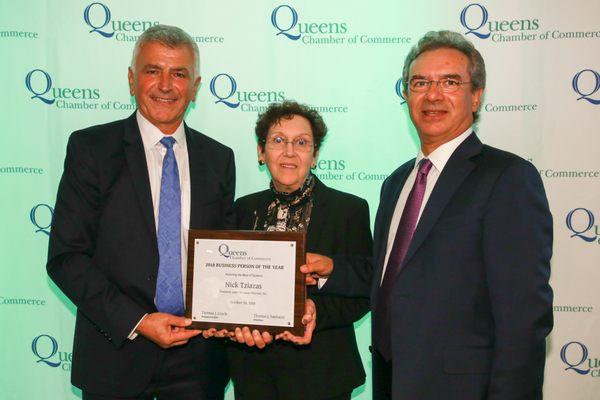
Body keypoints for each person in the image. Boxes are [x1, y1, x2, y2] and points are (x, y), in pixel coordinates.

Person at [305, 30, 553, 399]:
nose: (433, 95)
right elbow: (394, 274)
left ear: (477, 95)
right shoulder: (397, 182)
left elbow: (523, 317)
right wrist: (332, 269)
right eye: (420, 82)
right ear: (406, 94)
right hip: (392, 380)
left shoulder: (507, 178)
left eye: (450, 82)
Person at [47, 25, 234, 399]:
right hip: (115, 352)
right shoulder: (91, 149)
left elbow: (224, 257)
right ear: (132, 80)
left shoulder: (219, 159)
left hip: (198, 361)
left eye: (179, 73)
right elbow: (66, 258)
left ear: (195, 87)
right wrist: (139, 321)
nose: (165, 85)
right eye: (153, 71)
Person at [226, 101, 373, 400]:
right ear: (260, 150)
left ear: (315, 154)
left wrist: (317, 311)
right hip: (254, 375)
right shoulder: (241, 210)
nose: (289, 152)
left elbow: (365, 290)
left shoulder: (350, 210)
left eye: (302, 143)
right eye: (278, 140)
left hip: (323, 376)